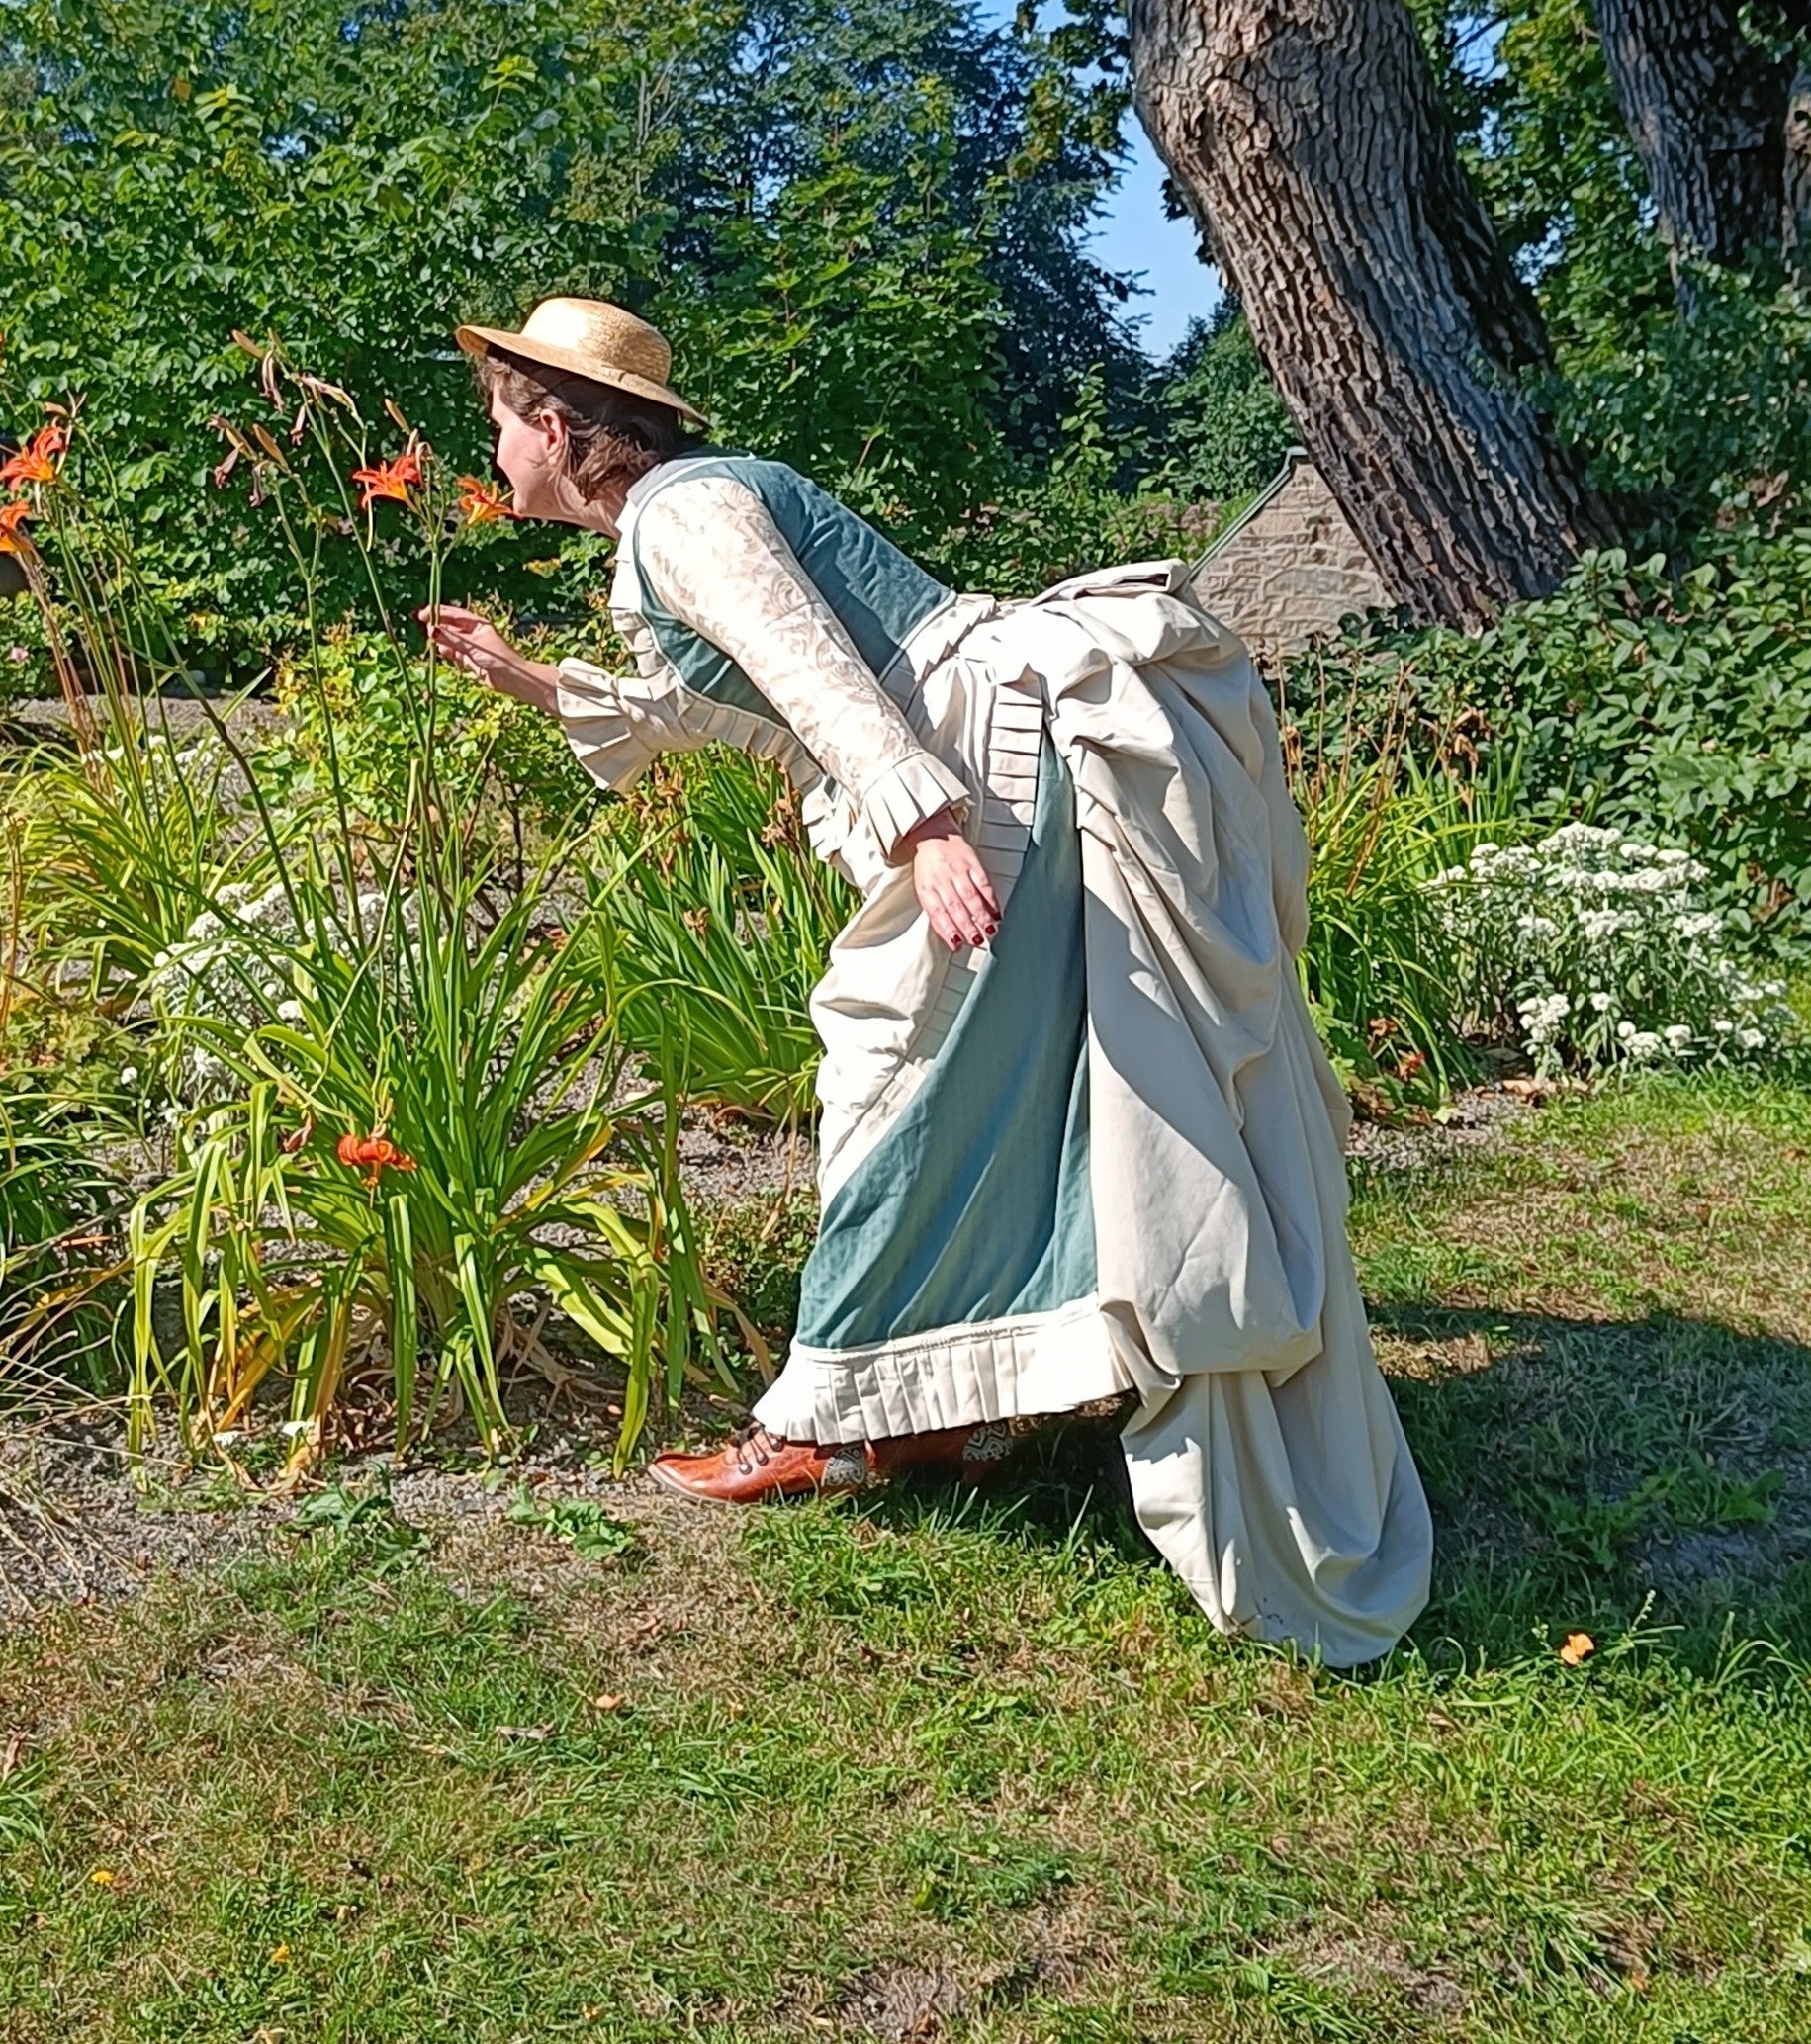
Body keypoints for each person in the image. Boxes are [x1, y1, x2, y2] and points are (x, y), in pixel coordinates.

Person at [423, 295, 1432, 1665]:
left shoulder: (678, 511)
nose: (489, 451)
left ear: (555, 425)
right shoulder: (672, 521)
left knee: (891, 1079)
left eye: (496, 421)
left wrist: (922, 818)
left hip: (979, 767)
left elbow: (810, 664)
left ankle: (829, 1425)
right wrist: (529, 679)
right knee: (990, 1090)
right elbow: (723, 701)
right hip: (991, 755)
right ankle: (947, 1405)